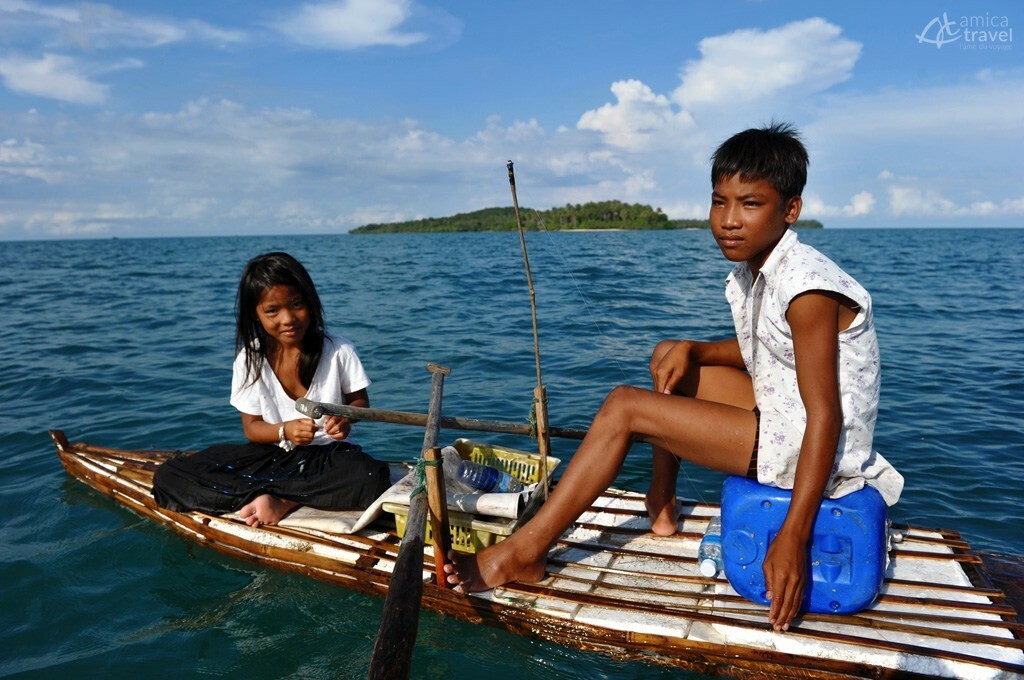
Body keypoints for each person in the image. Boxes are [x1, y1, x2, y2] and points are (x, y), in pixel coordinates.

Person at [445, 122, 903, 631]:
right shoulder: (767, 267)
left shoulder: (806, 289)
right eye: (719, 202)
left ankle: (523, 553)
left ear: (790, 209)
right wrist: (693, 349)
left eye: (750, 204)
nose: (729, 221)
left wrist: (794, 535)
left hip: (813, 447)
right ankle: (660, 504)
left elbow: (826, 415)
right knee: (669, 354)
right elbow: (772, 350)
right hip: (786, 414)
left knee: (625, 407)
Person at [153, 252, 390, 527]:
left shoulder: (339, 350)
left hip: (330, 457)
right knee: (169, 476)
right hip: (274, 457)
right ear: (255, 315)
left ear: (311, 303)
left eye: (296, 304)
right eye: (272, 311)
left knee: (371, 478)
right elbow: (252, 428)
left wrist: (345, 418)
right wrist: (284, 430)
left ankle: (281, 499)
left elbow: (360, 403)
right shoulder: (249, 359)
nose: (288, 319)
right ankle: (273, 493)